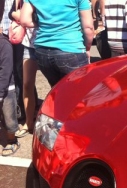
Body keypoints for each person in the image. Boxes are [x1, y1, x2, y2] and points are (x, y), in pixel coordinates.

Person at [20, 0, 94, 87]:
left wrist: (44, 24)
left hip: (42, 50)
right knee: (79, 93)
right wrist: (87, 48)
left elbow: (25, 20)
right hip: (71, 48)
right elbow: (88, 27)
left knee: (57, 91)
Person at [10, 0, 36, 136]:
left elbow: (24, 18)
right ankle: (29, 122)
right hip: (29, 44)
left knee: (57, 85)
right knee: (27, 84)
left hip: (50, 42)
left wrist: (16, 14)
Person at [0, 1, 21, 156]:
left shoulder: (4, 45)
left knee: (9, 118)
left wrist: (0, 93)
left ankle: (12, 139)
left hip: (6, 89)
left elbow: (6, 72)